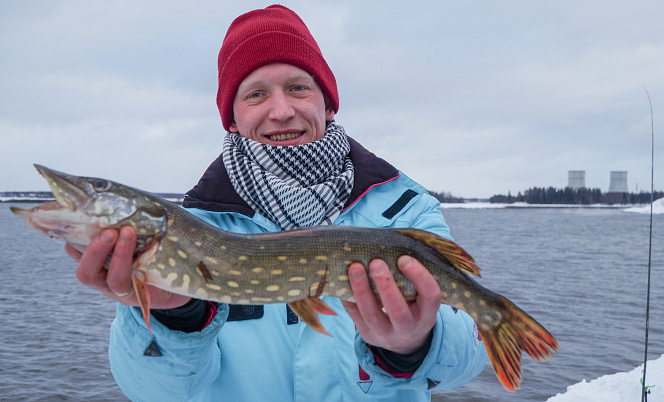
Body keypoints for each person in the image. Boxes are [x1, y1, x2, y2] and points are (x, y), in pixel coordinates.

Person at [66, 5, 488, 401]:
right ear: (232, 117)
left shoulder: (404, 205)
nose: (281, 110)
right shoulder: (193, 228)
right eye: (256, 95)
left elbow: (466, 358)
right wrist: (174, 320)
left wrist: (413, 346)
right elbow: (154, 393)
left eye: (298, 88)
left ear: (327, 103)